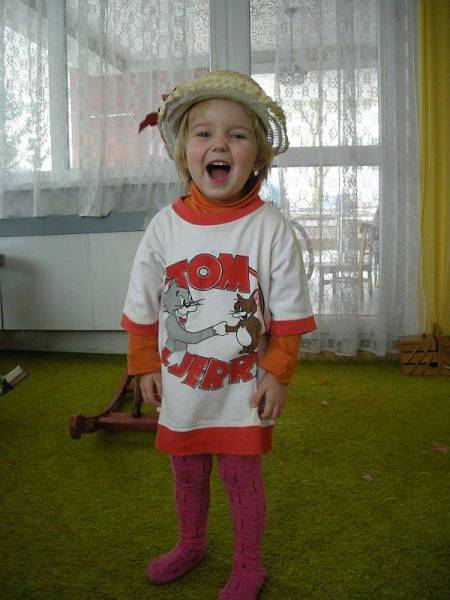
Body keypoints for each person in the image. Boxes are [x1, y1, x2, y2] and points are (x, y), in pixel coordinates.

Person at [121, 70, 316, 600]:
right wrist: (143, 363)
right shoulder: (164, 226)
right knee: (186, 470)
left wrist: (278, 372)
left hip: (242, 391)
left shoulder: (270, 228)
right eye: (204, 133)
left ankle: (249, 564)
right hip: (182, 386)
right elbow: (142, 303)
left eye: (237, 134)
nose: (219, 145)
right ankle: (192, 544)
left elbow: (290, 314)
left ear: (258, 157)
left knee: (240, 477)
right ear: (184, 153)